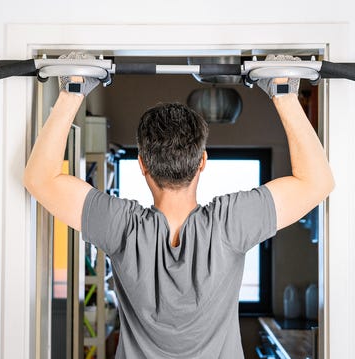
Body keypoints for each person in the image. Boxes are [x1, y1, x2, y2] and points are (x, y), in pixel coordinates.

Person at [23, 53, 334, 359]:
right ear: (202, 163)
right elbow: (317, 183)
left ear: (142, 165)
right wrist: (283, 93)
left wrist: (72, 89)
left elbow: (40, 179)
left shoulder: (121, 226)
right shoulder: (229, 223)